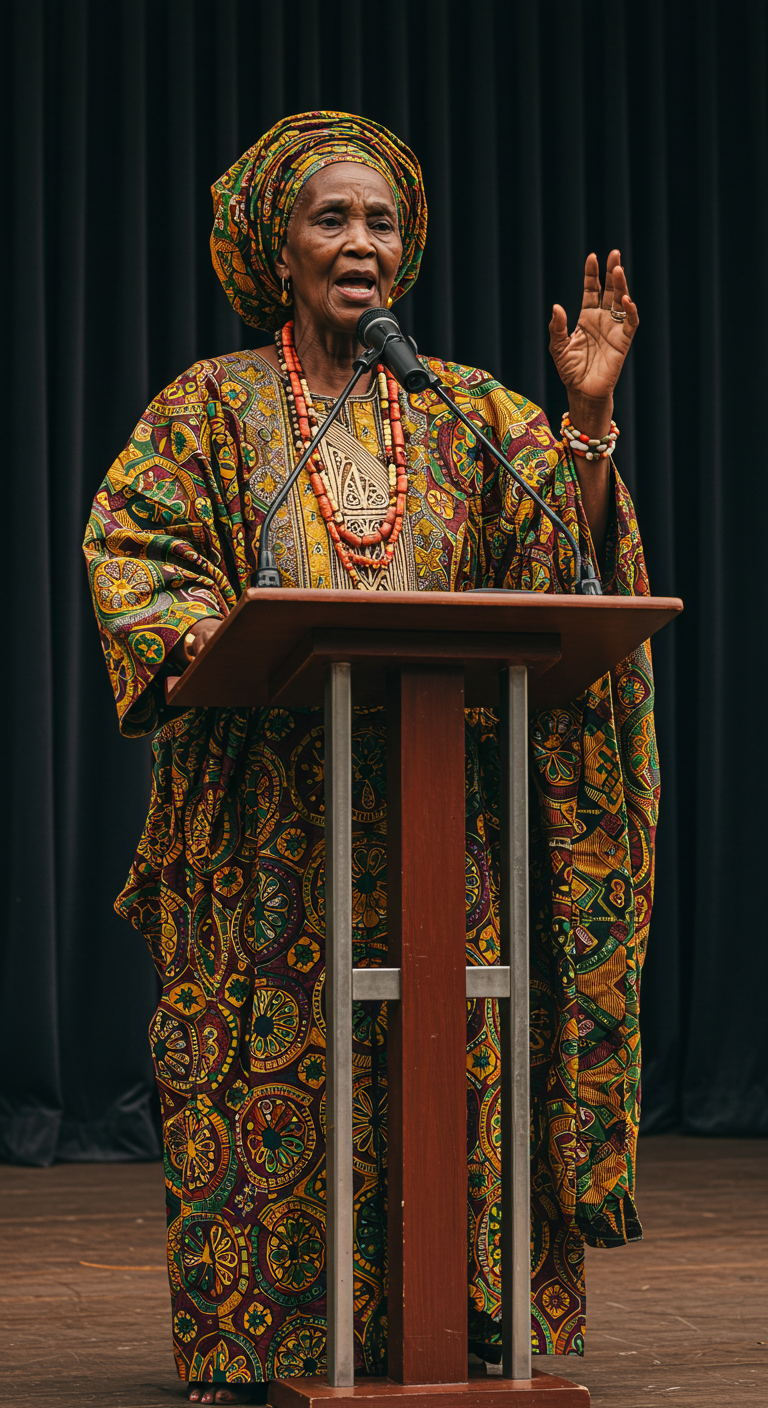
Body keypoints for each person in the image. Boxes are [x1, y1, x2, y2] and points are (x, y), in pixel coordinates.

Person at [83, 112, 658, 1406]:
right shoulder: (208, 409)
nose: (360, 242)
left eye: (381, 221)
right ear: (275, 246)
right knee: (271, 1066)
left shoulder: (463, 409)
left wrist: (585, 422)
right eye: (331, 217)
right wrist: (189, 632)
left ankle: (457, 1318)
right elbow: (138, 548)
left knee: (448, 1054)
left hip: (439, 823)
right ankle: (257, 1345)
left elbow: (563, 564)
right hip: (265, 827)